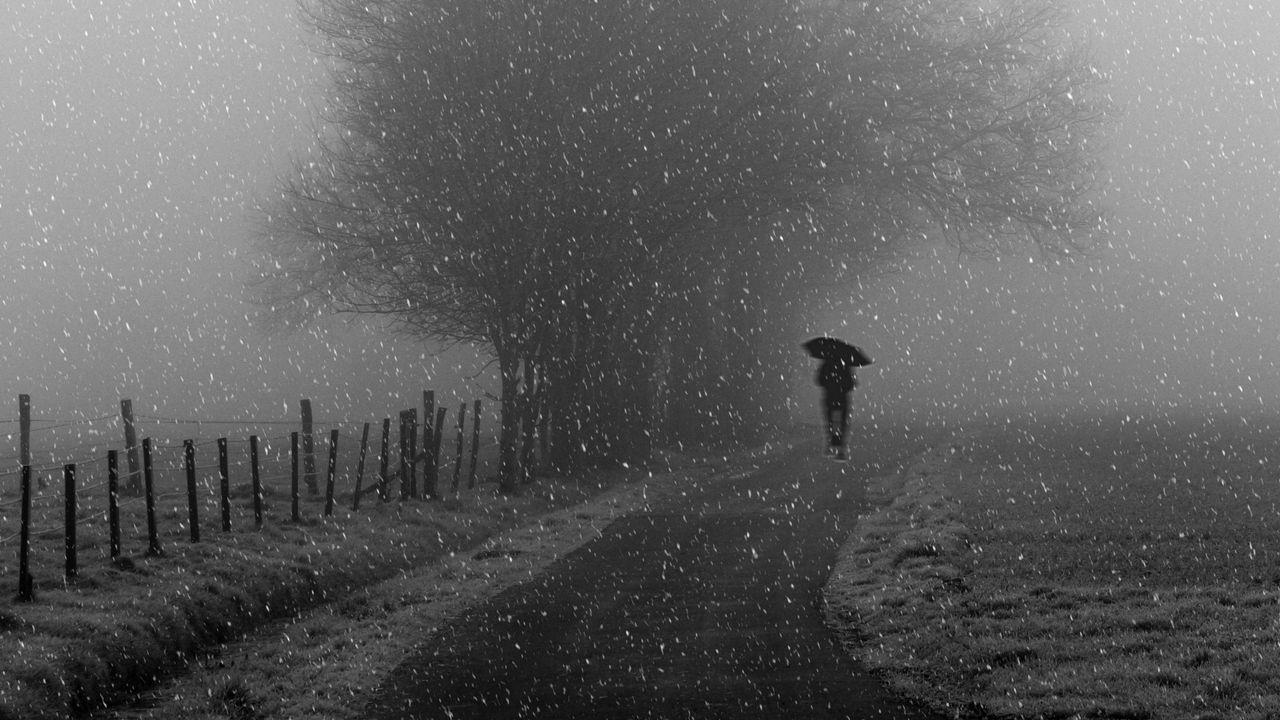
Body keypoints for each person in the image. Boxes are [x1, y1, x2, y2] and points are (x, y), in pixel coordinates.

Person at [817, 356, 857, 460]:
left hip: (830, 396)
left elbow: (819, 380)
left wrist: (829, 384)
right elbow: (851, 384)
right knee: (843, 422)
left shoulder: (826, 364)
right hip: (842, 397)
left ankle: (830, 443)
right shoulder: (846, 365)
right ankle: (841, 449)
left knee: (830, 420)